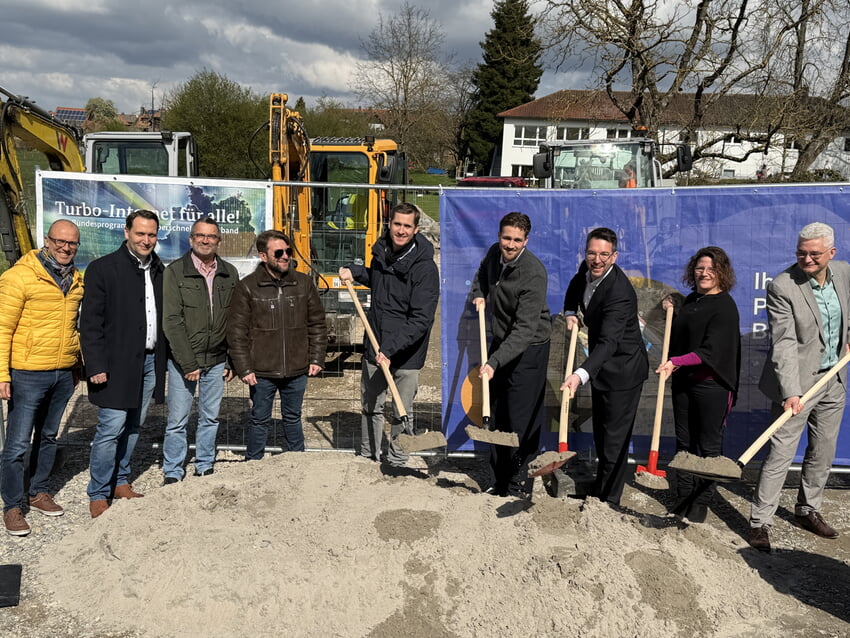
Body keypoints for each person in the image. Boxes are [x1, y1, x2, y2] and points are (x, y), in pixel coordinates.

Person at [748, 222, 850, 551]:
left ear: (831, 253)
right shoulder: (783, 286)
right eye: (801, 253)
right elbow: (784, 343)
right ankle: (760, 521)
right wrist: (792, 391)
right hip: (798, 384)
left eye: (815, 254)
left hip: (834, 377)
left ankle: (808, 510)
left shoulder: (844, 273)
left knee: (823, 450)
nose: (807, 259)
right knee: (780, 453)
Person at [339, 202, 439, 467]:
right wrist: (356, 271)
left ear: (416, 229)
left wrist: (391, 348)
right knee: (371, 406)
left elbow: (421, 319)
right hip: (376, 344)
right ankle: (368, 457)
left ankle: (396, 461)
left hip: (406, 353)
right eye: (397, 224)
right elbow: (381, 281)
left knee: (400, 411)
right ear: (389, 224)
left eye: (407, 226)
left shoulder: (425, 268)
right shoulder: (381, 252)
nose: (401, 230)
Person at [0, 220, 84, 536]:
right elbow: (2, 328)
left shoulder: (76, 280)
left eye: (72, 243)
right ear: (46, 240)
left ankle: (38, 492)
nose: (66, 247)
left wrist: (76, 367)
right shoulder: (19, 277)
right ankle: (12, 506)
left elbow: (73, 328)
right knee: (18, 443)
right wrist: (2, 374)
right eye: (60, 241)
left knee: (49, 436)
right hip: (27, 372)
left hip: (62, 373)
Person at [81, 210, 166, 518]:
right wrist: (95, 365)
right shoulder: (103, 269)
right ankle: (99, 492)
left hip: (147, 362)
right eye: (140, 233)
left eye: (152, 235)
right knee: (110, 428)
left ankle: (121, 480)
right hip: (115, 364)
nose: (146, 240)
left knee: (134, 425)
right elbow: (90, 324)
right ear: (127, 232)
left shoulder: (158, 269)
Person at [562, 227, 649, 506]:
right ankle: (600, 487)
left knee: (614, 438)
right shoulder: (586, 271)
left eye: (603, 255)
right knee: (602, 431)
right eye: (591, 253)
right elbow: (576, 286)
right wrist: (568, 312)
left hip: (623, 370)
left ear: (614, 256)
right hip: (602, 367)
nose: (596, 260)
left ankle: (609, 501)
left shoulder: (619, 293)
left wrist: (579, 375)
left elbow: (610, 342)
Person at [657, 247, 741, 524]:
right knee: (684, 444)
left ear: (721, 274)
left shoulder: (725, 307)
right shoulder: (693, 300)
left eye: (711, 269)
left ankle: (700, 503)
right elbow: (687, 327)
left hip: (711, 386)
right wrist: (675, 305)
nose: (704, 274)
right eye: (700, 268)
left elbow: (710, 351)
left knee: (708, 448)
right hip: (683, 382)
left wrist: (675, 361)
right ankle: (683, 495)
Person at [471, 212, 551, 496]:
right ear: (499, 236)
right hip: (502, 341)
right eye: (507, 238)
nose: (510, 244)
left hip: (530, 348)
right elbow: (482, 274)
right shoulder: (494, 254)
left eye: (517, 240)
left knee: (520, 418)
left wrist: (493, 362)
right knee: (495, 412)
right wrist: (479, 293)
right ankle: (498, 479)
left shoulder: (533, 273)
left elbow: (524, 329)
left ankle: (520, 481)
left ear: (526, 240)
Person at [228, 230, 326, 459]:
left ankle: (296, 464)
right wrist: (244, 367)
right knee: (259, 419)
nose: (285, 257)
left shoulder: (303, 283)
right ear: (263, 256)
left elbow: (317, 324)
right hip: (261, 371)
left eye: (288, 252)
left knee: (293, 417)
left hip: (297, 368)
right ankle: (254, 465)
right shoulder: (248, 287)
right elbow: (237, 332)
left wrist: (316, 358)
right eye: (279, 252)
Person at [162, 217, 238, 484]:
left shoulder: (229, 272)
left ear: (219, 240)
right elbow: (172, 321)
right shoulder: (174, 273)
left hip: (217, 359)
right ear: (191, 239)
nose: (206, 240)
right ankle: (172, 470)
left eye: (212, 236)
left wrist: (230, 359)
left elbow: (233, 319)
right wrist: (188, 362)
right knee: (177, 420)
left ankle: (204, 464)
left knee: (210, 417)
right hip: (185, 361)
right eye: (201, 236)